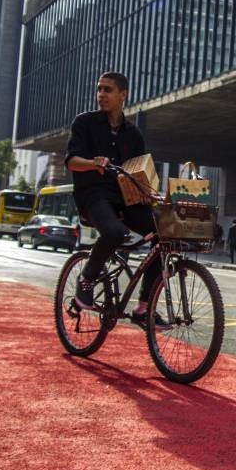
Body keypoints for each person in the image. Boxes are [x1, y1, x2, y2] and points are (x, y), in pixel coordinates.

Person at [64, 72, 159, 324]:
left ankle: (144, 308)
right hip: (92, 195)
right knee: (115, 233)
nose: (101, 95)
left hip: (124, 199)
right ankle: (86, 279)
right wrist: (93, 163)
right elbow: (72, 161)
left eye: (107, 90)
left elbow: (137, 172)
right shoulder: (85, 123)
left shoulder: (133, 134)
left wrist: (149, 193)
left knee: (164, 234)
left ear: (123, 95)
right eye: (99, 89)